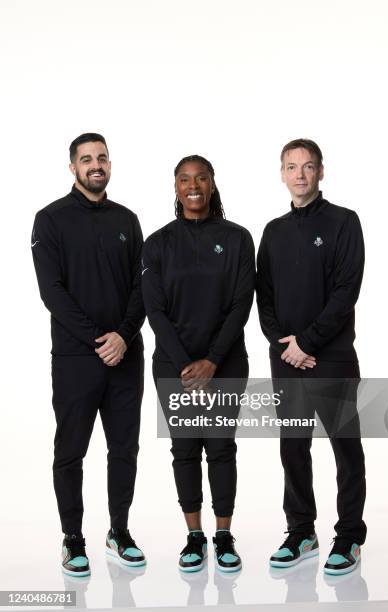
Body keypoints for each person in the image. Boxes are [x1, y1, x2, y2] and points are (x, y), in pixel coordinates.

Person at [32, 133, 146, 577]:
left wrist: (123, 335)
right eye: (86, 159)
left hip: (126, 356)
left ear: (110, 164)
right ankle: (73, 539)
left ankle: (119, 532)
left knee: (124, 449)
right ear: (73, 168)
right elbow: (52, 292)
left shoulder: (128, 219)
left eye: (101, 158)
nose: (95, 165)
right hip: (76, 359)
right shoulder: (51, 220)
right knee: (70, 451)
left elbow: (144, 288)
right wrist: (99, 339)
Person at [256, 139, 366, 575]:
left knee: (346, 449)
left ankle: (349, 537)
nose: (299, 174)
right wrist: (286, 345)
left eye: (307, 166)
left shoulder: (344, 223)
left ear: (321, 172)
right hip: (285, 360)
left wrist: (309, 343)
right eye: (291, 167)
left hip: (333, 358)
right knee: (293, 448)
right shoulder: (273, 231)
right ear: (281, 174)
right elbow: (262, 297)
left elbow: (345, 292)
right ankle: (301, 531)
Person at [142, 155, 255, 572]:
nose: (193, 186)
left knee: (221, 448)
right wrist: (186, 365)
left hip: (225, 365)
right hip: (173, 367)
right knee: (185, 450)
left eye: (201, 178)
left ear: (212, 184)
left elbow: (242, 303)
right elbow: (155, 310)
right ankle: (194, 537)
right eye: (185, 179)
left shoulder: (239, 238)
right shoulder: (157, 243)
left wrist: (212, 361)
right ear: (175, 187)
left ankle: (223, 536)